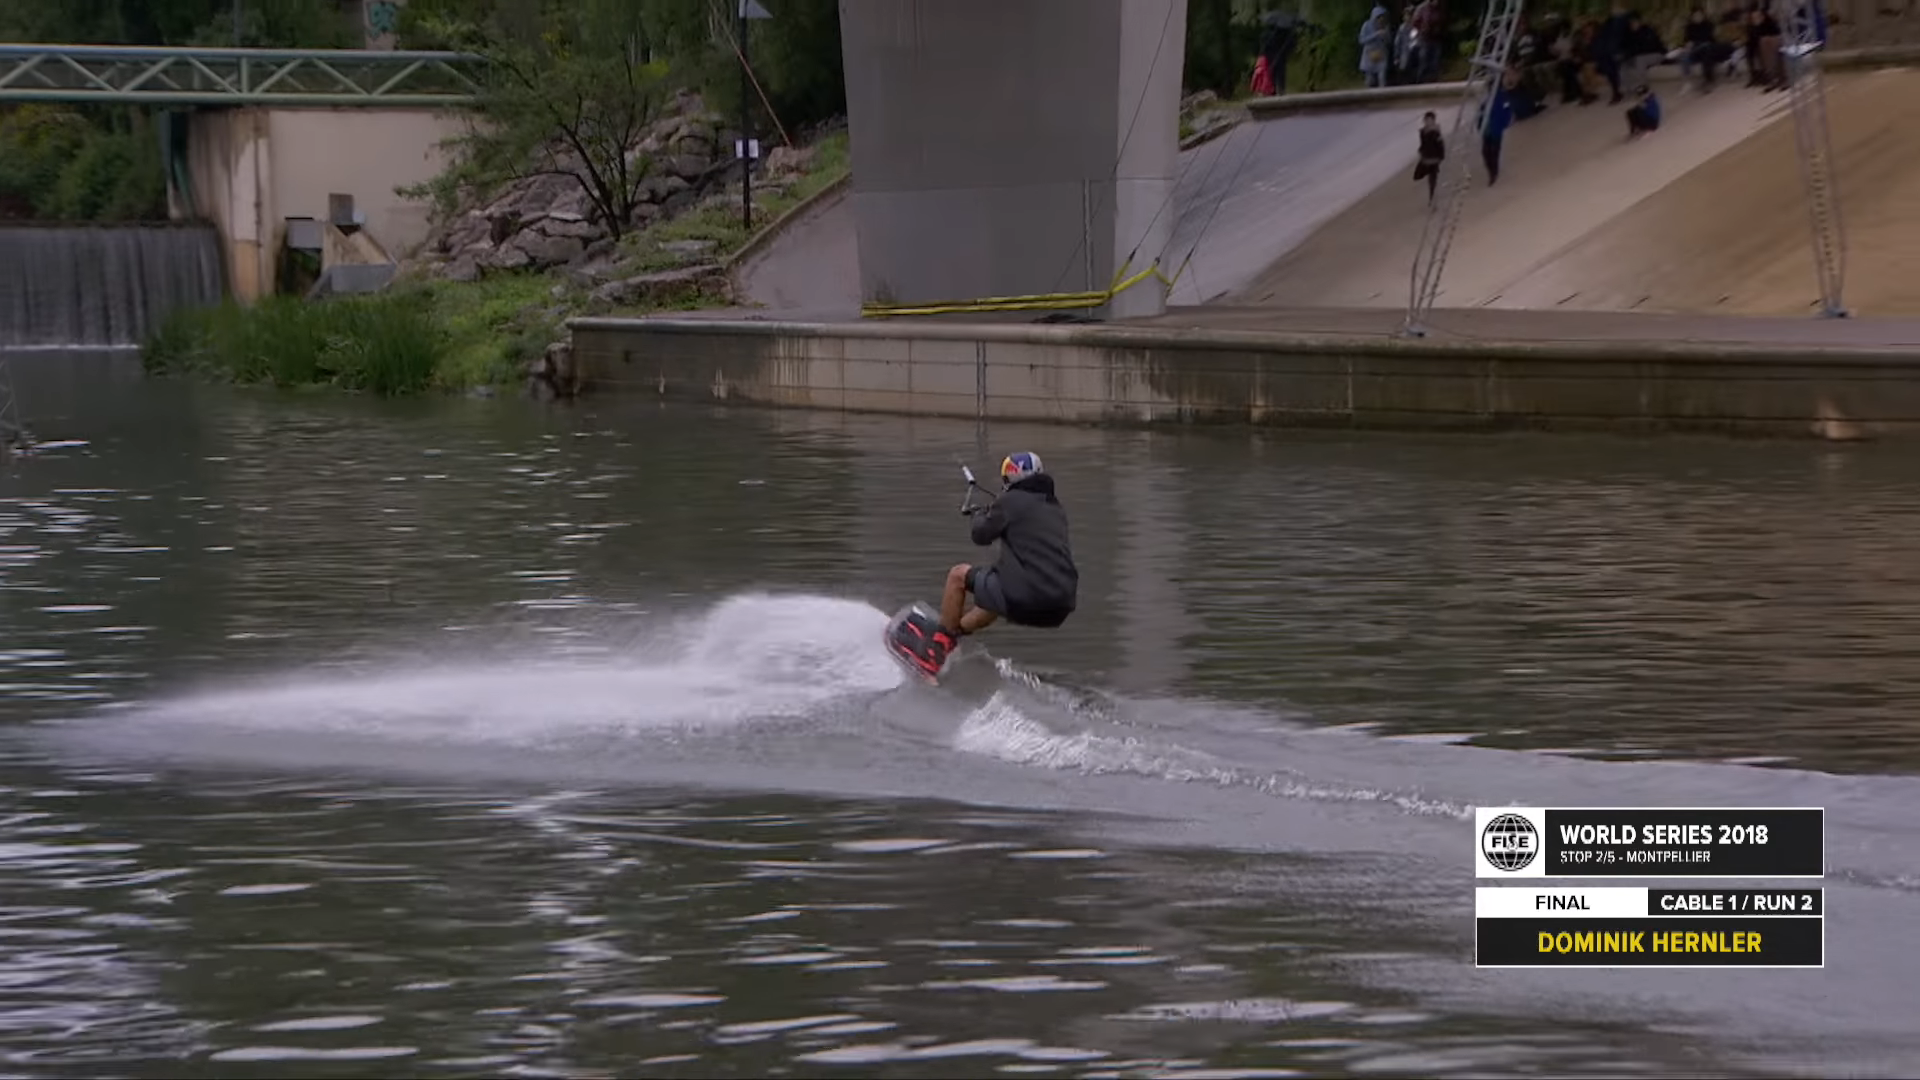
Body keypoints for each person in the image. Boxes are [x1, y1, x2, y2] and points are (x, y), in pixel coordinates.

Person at [920, 452, 1078, 668]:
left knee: (958, 575)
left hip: (1028, 594)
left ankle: (933, 653)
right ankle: (952, 636)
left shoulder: (1010, 500)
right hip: (1059, 604)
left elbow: (981, 536)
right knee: (991, 601)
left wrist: (978, 515)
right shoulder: (1055, 508)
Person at [1412, 111, 1446, 205]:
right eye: (1426, 120)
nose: (1428, 122)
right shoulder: (1422, 132)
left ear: (1433, 121)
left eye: (1430, 120)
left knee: (1432, 179)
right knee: (1417, 176)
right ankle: (1434, 196)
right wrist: (1420, 151)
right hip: (1426, 158)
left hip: (1435, 158)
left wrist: (1441, 156)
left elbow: (1441, 145)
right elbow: (1423, 144)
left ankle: (1433, 198)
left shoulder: (1436, 132)